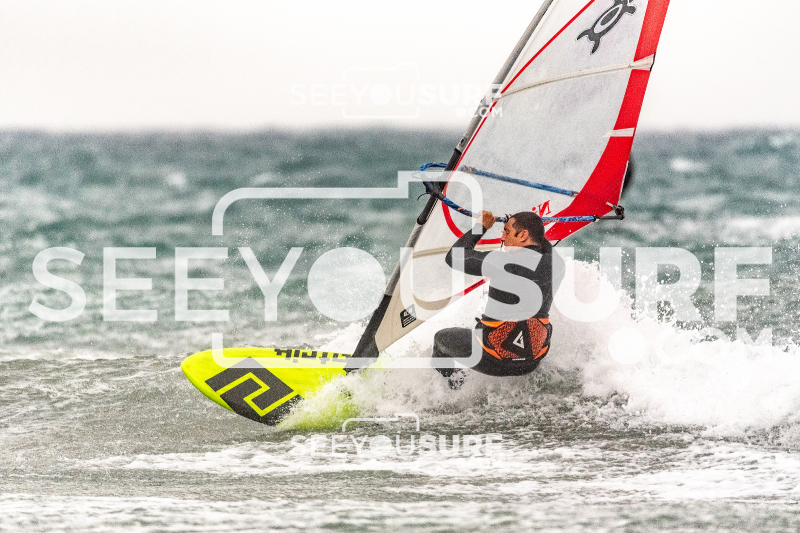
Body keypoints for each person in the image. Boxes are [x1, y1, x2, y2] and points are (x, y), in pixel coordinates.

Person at [432, 210, 564, 387]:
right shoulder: (557, 264)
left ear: (523, 235)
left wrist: (481, 226)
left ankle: (451, 390)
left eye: (507, 232)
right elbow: (543, 244)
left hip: (492, 361)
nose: (502, 238)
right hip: (531, 363)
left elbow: (454, 256)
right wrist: (535, 229)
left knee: (440, 338)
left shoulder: (501, 261)